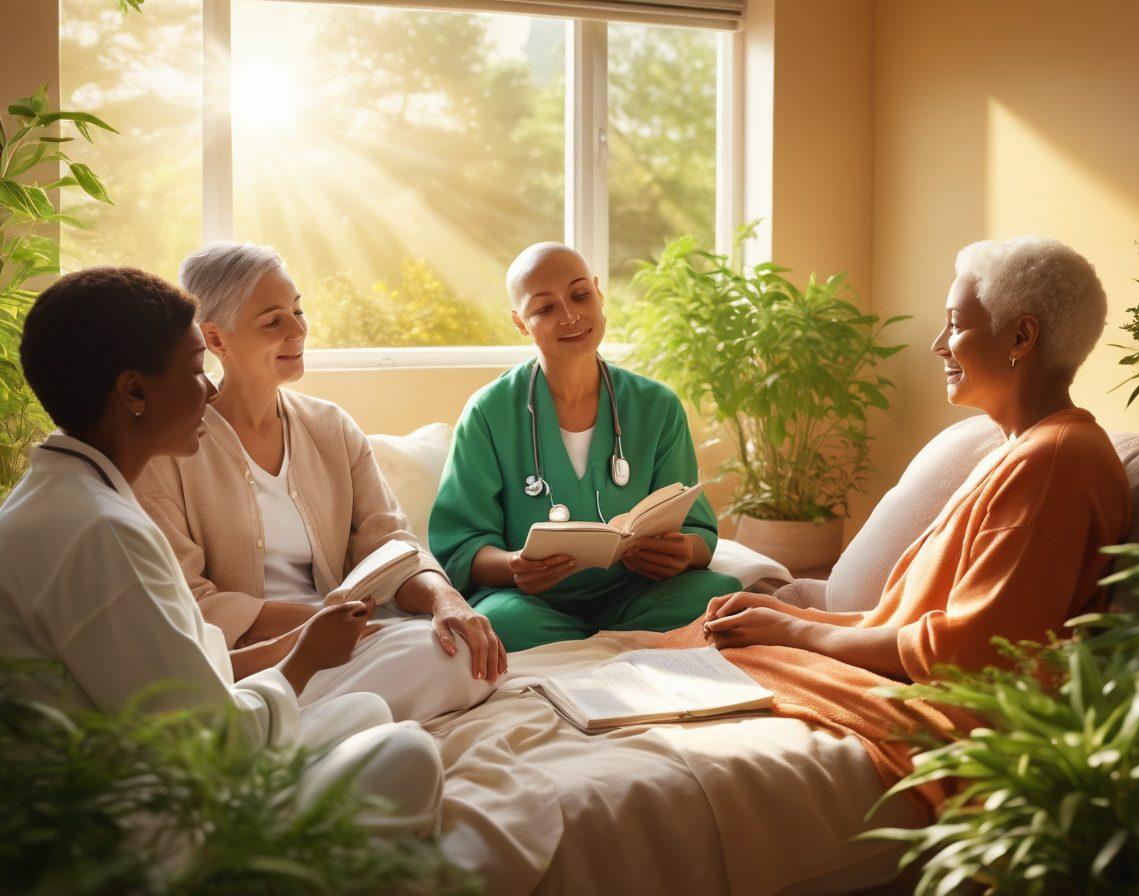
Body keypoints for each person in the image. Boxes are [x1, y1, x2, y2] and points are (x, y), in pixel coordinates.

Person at [665, 235, 1132, 808]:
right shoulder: (1017, 450)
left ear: (1021, 337)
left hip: (958, 714)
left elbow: (973, 652)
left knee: (713, 657)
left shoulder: (1057, 461)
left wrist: (793, 633)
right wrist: (788, 614)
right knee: (710, 642)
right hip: (915, 680)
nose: (938, 345)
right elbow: (910, 619)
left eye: (955, 324)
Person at [0, 267, 443, 834]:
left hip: (168, 752)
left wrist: (300, 643)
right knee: (410, 752)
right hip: (142, 814)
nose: (210, 390)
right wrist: (303, 661)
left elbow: (180, 673)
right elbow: (207, 746)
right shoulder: (102, 532)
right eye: (194, 370)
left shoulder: (67, 493)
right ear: (135, 392)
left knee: (368, 711)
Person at [133, 243, 504, 724]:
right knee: (447, 665)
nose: (298, 330)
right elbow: (188, 598)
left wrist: (446, 601)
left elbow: (392, 544)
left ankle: (316, 720)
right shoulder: (170, 450)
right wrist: (317, 627)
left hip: (351, 638)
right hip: (260, 657)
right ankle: (300, 714)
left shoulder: (331, 427)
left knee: (466, 653)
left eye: (298, 310)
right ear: (216, 339)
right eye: (273, 321)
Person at [429, 242, 742, 651]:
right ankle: (624, 649)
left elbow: (696, 531)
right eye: (545, 308)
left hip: (638, 594)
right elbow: (462, 547)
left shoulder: (657, 405)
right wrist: (513, 565)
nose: (570, 316)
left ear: (598, 294)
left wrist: (685, 552)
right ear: (520, 322)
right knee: (500, 621)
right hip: (530, 604)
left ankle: (589, 649)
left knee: (720, 593)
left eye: (580, 295)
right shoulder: (489, 412)